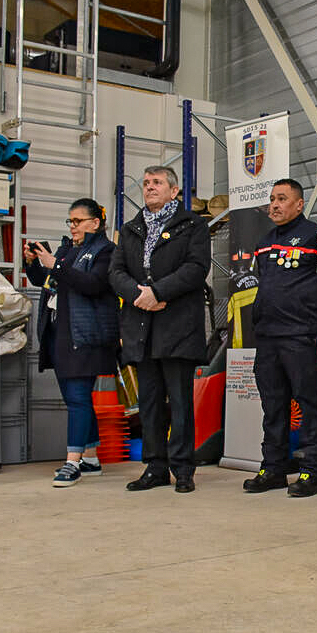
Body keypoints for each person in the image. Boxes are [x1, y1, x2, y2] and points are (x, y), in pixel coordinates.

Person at [241, 179, 317, 497]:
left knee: (309, 402)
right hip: (268, 336)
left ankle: (314, 473)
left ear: (299, 204)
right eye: (272, 199)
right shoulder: (264, 242)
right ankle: (273, 468)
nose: (275, 204)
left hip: (301, 335)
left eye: (282, 199)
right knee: (273, 406)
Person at [109, 166, 211, 494]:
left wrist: (158, 292)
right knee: (149, 400)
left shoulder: (192, 225)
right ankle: (155, 467)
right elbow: (116, 271)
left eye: (157, 183)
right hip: (142, 325)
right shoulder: (130, 229)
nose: (150, 188)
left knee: (179, 400)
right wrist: (139, 295)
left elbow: (196, 268)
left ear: (174, 191)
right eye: (147, 183)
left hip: (177, 325)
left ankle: (183, 469)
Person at [23, 199, 119, 487]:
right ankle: (90, 458)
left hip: (85, 336)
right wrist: (33, 263)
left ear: (95, 223)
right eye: (70, 221)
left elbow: (93, 285)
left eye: (78, 221)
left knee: (77, 398)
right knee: (75, 398)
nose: (73, 226)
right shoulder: (68, 249)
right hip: (60, 333)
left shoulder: (105, 251)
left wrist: (57, 266)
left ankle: (72, 462)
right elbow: (47, 279)